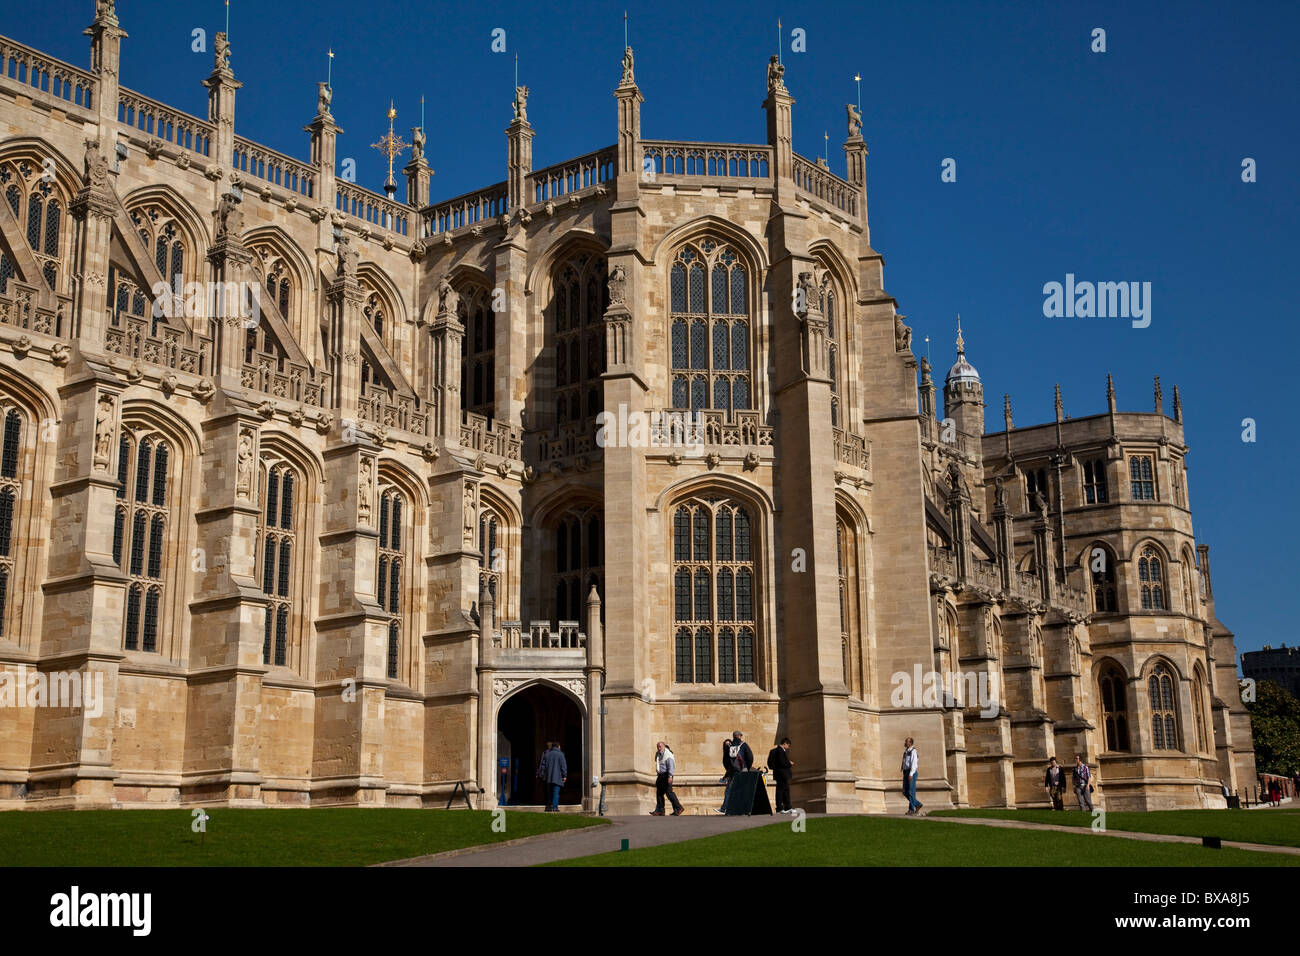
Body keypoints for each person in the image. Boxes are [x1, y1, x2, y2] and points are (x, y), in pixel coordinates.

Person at [716, 731, 755, 813]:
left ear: (733, 736)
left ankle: (724, 808)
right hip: (742, 770)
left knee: (729, 790)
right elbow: (750, 757)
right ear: (740, 736)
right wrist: (747, 767)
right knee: (743, 789)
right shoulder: (743, 744)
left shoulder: (729, 745)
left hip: (732, 771)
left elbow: (725, 760)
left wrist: (729, 769)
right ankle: (745, 809)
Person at [650, 741, 684, 816]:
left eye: (660, 747)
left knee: (669, 793)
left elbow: (671, 766)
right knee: (659, 793)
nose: (658, 748)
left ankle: (678, 807)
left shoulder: (668, 755)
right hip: (660, 775)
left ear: (664, 747)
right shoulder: (659, 754)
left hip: (667, 775)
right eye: (657, 747)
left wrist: (670, 776)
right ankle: (660, 810)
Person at [768, 737, 794, 813]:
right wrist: (789, 763)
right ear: (784, 743)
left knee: (783, 791)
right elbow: (782, 763)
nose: (788, 747)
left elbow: (770, 764)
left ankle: (787, 807)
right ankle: (781, 808)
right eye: (788, 745)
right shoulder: (780, 751)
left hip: (778, 774)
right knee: (782, 791)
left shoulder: (773, 751)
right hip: (783, 774)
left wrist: (776, 768)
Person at [541, 742, 567, 812]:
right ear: (558, 747)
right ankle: (555, 808)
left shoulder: (547, 754)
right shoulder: (561, 754)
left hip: (549, 777)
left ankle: (549, 806)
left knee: (550, 793)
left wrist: (543, 775)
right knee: (556, 793)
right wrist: (564, 775)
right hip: (557, 777)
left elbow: (543, 766)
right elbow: (563, 766)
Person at [902, 737, 922, 815]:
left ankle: (911, 809)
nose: (905, 743)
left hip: (911, 772)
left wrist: (911, 774)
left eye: (906, 741)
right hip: (906, 772)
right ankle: (917, 804)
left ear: (910, 743)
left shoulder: (913, 751)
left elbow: (914, 763)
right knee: (905, 791)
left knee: (911, 792)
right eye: (905, 741)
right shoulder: (906, 751)